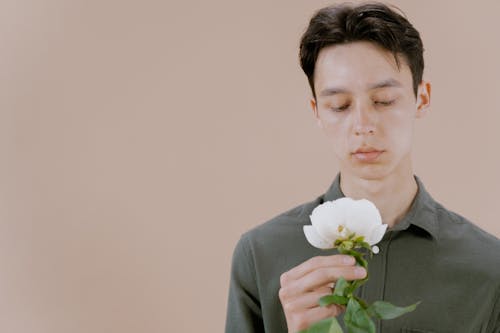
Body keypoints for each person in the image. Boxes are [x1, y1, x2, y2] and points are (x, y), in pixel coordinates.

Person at [225, 2, 500, 332]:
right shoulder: (260, 255)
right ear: (317, 111)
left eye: (383, 100)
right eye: (339, 106)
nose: (363, 125)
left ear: (421, 98)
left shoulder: (489, 268)